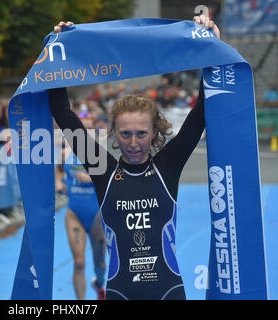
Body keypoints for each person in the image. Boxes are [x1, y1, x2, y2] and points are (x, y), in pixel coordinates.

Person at [50, 15, 220, 300]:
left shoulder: (168, 165)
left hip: (168, 291)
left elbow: (201, 113)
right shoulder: (102, 169)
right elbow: (64, 115)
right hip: (120, 293)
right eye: (125, 133)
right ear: (114, 134)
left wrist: (211, 43)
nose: (133, 143)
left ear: (155, 133)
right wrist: (60, 50)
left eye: (141, 133)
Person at [60, 112, 107, 300]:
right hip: (75, 213)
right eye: (82, 127)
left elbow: (111, 179)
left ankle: (99, 284)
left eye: (88, 128)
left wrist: (89, 178)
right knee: (79, 263)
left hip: (97, 215)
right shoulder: (66, 153)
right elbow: (58, 171)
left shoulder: (101, 153)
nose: (84, 131)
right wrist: (59, 182)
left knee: (100, 264)